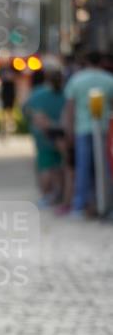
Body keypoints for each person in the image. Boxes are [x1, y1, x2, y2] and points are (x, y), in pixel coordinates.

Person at [62, 50, 113, 217]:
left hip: (82, 128)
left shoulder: (77, 80)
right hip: (105, 128)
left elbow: (70, 107)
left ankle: (80, 205)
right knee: (105, 167)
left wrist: (69, 130)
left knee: (82, 167)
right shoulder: (108, 79)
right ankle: (106, 202)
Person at [22, 69, 65, 207]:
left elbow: (26, 110)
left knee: (45, 165)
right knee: (60, 164)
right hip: (62, 134)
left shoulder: (38, 93)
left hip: (43, 135)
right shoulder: (65, 93)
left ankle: (47, 194)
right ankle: (59, 193)